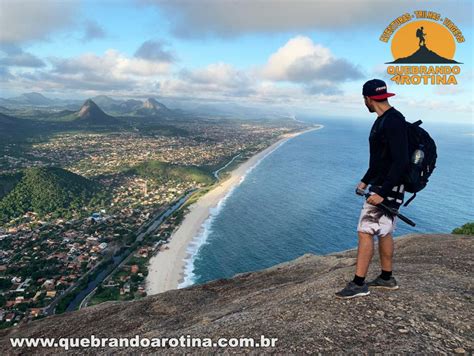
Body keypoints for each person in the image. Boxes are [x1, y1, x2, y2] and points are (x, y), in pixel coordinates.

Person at [335, 79, 409, 299]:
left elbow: (401, 162)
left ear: (368, 98)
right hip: (386, 184)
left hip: (388, 187)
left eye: (364, 100)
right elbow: (380, 160)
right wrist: (365, 181)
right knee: (384, 231)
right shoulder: (383, 120)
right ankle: (387, 278)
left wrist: (382, 192)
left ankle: (359, 284)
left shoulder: (393, 121)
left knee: (365, 231)